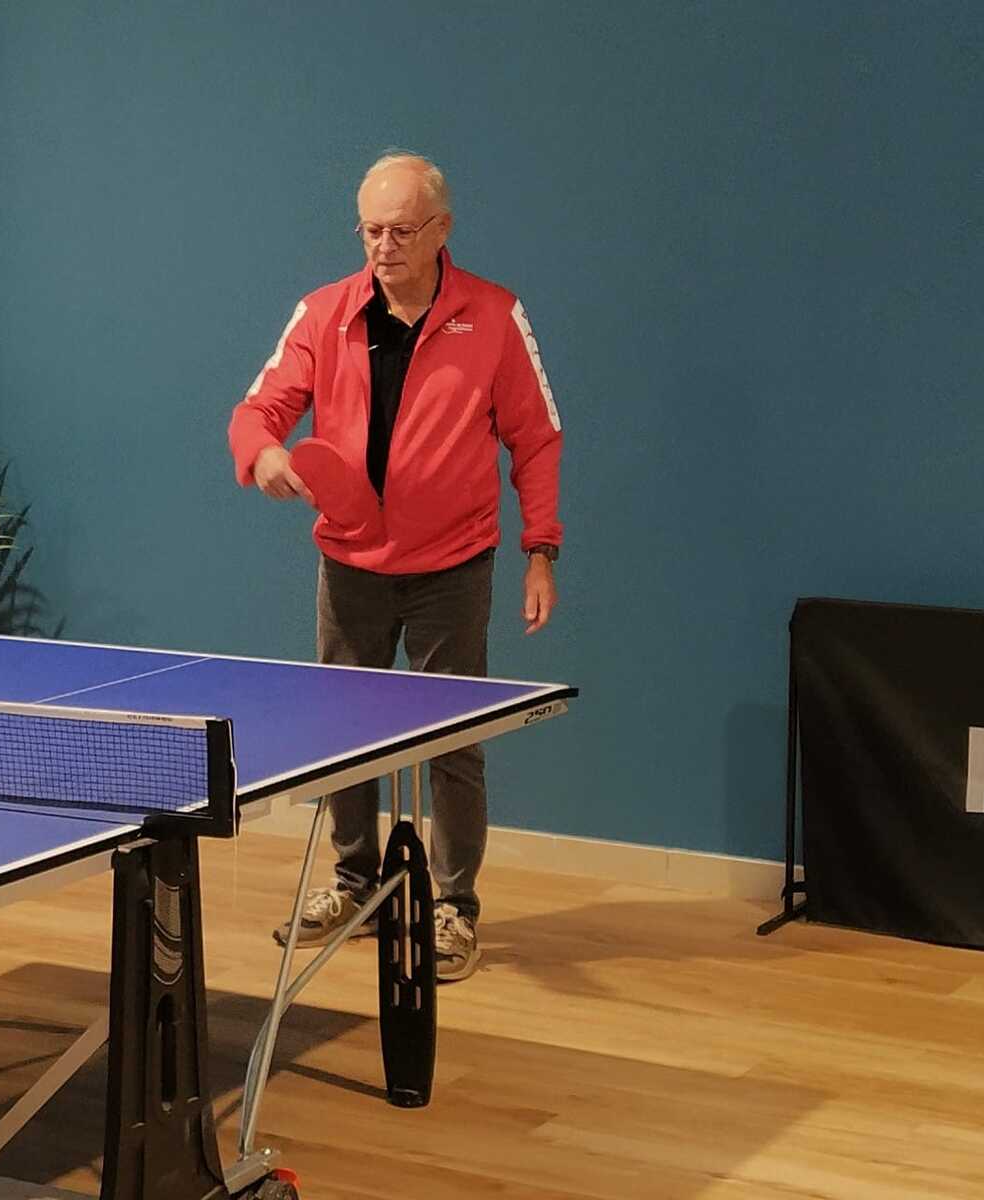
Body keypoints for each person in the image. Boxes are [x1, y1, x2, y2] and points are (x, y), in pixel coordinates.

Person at [227, 152, 563, 982]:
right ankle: (353, 885)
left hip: (454, 565)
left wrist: (540, 549)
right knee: (344, 738)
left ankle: (453, 908)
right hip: (350, 564)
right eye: (371, 230)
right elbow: (258, 407)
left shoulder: (494, 315)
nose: (383, 247)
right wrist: (262, 452)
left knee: (454, 743)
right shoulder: (323, 313)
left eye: (402, 231)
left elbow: (536, 437)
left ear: (441, 230)